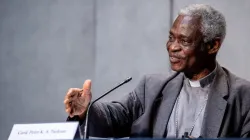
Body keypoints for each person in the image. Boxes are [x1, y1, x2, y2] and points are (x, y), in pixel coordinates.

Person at [64, 4, 250, 138]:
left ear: (212, 46)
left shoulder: (242, 96)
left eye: (184, 41)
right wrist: (85, 110)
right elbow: (115, 117)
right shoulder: (152, 86)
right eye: (171, 38)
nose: (172, 47)